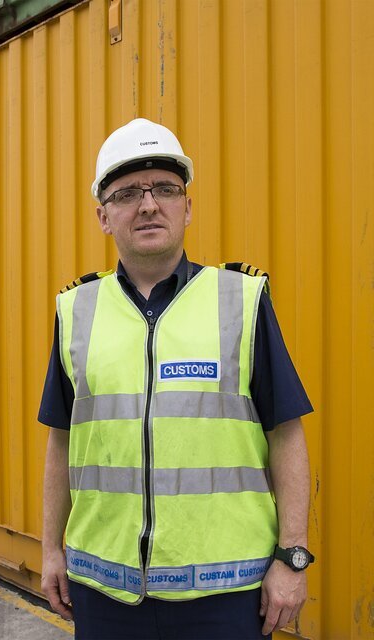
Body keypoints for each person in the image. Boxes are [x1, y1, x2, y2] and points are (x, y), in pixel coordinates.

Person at [38, 118, 313, 639]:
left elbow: (287, 433)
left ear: (188, 205)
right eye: (126, 194)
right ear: (103, 215)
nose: (147, 204)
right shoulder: (77, 309)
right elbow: (61, 439)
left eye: (165, 189)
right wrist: (51, 549)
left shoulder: (241, 300)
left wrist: (292, 557)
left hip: (227, 594)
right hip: (104, 591)